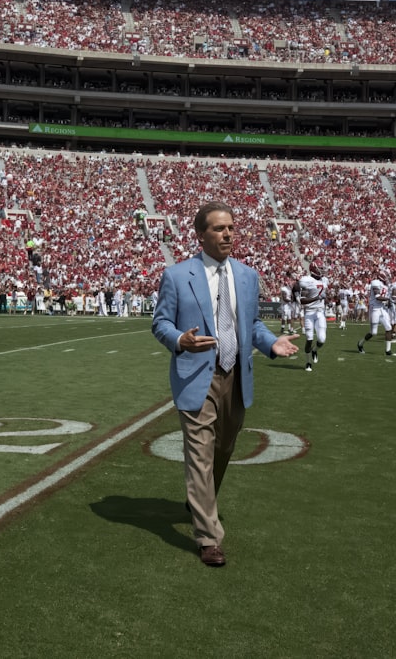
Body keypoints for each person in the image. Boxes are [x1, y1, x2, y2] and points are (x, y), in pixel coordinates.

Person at [152, 201, 298, 568]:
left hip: (236, 376)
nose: (228, 234)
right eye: (218, 229)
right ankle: (207, 537)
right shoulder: (176, 275)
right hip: (195, 375)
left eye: (231, 227)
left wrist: (271, 343)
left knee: (225, 447)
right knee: (200, 454)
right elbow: (160, 323)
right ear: (200, 235)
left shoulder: (248, 276)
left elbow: (251, 325)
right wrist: (180, 340)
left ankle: (200, 500)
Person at [298, 257, 329, 372]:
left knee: (322, 339)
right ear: (314, 269)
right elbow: (302, 300)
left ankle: (315, 350)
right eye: (320, 268)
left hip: (320, 312)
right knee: (309, 338)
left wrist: (326, 299)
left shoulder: (324, 280)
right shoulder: (306, 281)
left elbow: (324, 293)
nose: (322, 270)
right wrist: (317, 298)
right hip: (309, 313)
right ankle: (308, 362)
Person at [357, 278, 396, 356]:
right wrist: (389, 299)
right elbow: (377, 297)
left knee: (388, 328)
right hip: (374, 309)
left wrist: (389, 302)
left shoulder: (386, 285)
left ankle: (388, 351)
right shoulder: (375, 283)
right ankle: (360, 344)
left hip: (382, 308)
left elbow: (387, 296)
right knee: (373, 333)